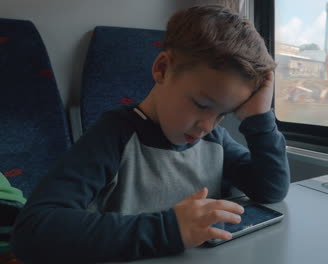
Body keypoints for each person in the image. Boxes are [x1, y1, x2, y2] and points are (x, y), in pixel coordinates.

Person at [11, 5, 290, 263]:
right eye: (202, 105)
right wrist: (170, 230)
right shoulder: (113, 138)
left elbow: (270, 189)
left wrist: (260, 119)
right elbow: (32, 232)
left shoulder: (213, 141)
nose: (207, 125)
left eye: (222, 114)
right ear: (162, 69)